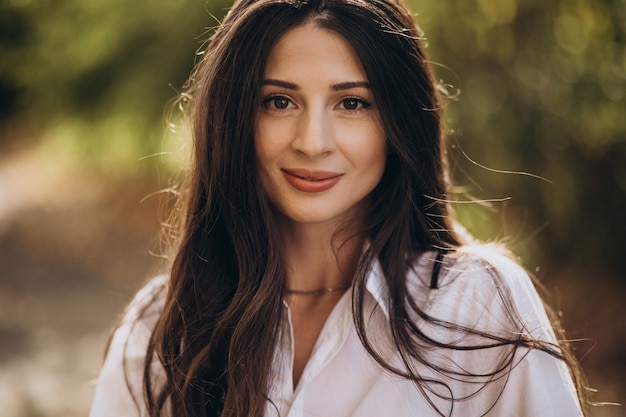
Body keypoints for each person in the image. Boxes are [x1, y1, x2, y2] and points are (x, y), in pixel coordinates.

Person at [89, 0, 589, 415]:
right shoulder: (165, 324)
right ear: (233, 119)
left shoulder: (475, 305)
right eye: (279, 102)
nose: (312, 142)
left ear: (397, 124)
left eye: (352, 103)